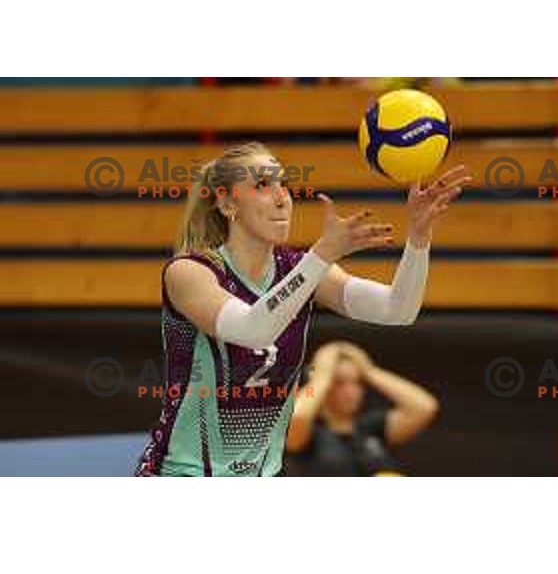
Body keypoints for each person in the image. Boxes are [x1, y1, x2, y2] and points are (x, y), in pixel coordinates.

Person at [134, 141, 471, 476]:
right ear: (226, 203)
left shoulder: (299, 268)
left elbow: (397, 310)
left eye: (284, 185)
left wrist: (419, 236)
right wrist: (322, 256)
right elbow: (253, 330)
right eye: (263, 186)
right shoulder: (190, 271)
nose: (282, 198)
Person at [286, 340, 439, 476]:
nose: (351, 392)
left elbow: (424, 407)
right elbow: (297, 416)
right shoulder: (310, 433)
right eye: (339, 382)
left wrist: (370, 371)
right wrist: (321, 378)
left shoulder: (370, 427)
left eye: (357, 382)